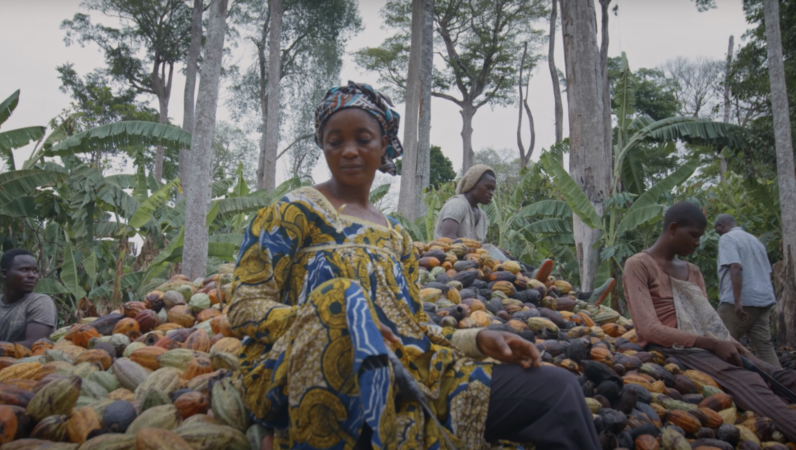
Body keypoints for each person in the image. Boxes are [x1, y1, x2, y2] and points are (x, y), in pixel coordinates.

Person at [228, 81, 600, 450]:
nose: (349, 151)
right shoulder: (293, 212)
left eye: (363, 138)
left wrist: (477, 340)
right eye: (335, 141)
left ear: (384, 144)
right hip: (305, 369)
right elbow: (245, 305)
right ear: (323, 146)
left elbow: (414, 327)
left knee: (558, 391)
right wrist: (348, 322)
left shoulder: (396, 238)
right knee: (341, 298)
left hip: (405, 369)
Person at [623, 202, 796, 441]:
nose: (697, 243)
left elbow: (709, 322)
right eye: (694, 236)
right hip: (675, 348)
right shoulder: (639, 265)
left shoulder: (692, 270)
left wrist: (741, 350)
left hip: (706, 344)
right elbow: (648, 329)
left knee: (778, 374)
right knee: (751, 381)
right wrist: (713, 345)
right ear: (673, 229)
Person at [714, 214, 780, 367]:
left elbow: (735, 267)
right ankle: (783, 383)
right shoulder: (755, 240)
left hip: (739, 302)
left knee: (721, 342)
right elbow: (767, 271)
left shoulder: (727, 238)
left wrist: (737, 301)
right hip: (762, 299)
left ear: (722, 225)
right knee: (765, 347)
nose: (717, 233)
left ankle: (731, 386)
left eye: (717, 229)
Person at [0, 249, 57, 347]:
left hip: (27, 362)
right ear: (5, 273)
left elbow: (33, 345)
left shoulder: (40, 302)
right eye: (24, 270)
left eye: (35, 271)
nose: (32, 276)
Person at [434, 164, 496, 242]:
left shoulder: (482, 216)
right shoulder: (456, 205)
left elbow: (480, 248)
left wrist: (496, 251)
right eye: (488, 188)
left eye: (493, 190)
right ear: (473, 184)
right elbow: (448, 242)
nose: (491, 193)